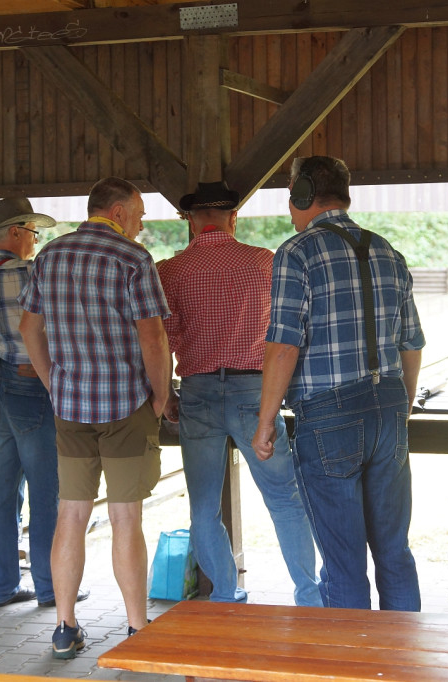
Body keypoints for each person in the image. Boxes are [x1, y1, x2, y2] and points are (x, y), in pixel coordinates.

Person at [251, 156, 425, 611]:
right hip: (388, 408)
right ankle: (402, 666)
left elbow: (284, 345)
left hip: (329, 417)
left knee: (344, 564)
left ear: (303, 194)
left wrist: (266, 421)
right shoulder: (389, 251)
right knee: (393, 553)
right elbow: (411, 343)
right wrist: (400, 409)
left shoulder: (297, 253)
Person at [18, 177, 172, 659]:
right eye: (141, 213)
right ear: (120, 210)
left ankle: (64, 627)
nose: (143, 223)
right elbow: (152, 338)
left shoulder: (49, 256)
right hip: (126, 405)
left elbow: (29, 328)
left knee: (71, 513)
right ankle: (135, 629)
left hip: (70, 409)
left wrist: (51, 380)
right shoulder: (133, 259)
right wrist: (162, 395)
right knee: (126, 519)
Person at [156, 181, 321, 608]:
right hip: (256, 391)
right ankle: (309, 596)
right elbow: (288, 332)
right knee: (285, 499)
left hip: (198, 392)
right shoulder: (264, 263)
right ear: (233, 218)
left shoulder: (170, 271)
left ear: (192, 223)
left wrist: (165, 395)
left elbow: (165, 341)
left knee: (204, 506)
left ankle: (227, 596)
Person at [0, 197, 73, 609]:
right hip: (31, 383)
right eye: (33, 233)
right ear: (14, 233)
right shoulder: (29, 272)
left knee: (4, 489)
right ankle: (49, 588)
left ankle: (3, 587)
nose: (35, 241)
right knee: (48, 488)